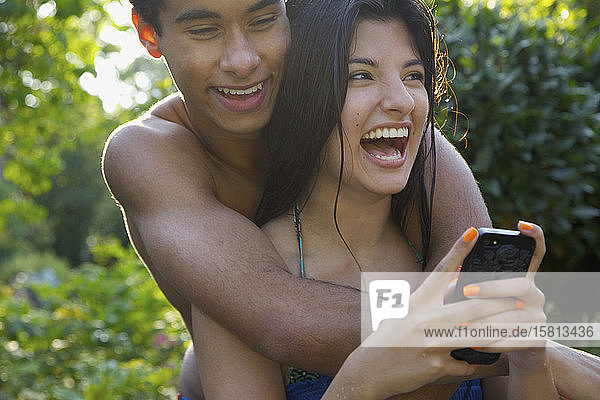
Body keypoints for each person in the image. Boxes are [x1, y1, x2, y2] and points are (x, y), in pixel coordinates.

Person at [101, 0, 600, 398]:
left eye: (263, 19)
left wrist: (518, 341)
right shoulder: (153, 152)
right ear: (150, 35)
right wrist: (498, 335)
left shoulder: (387, 120)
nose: (243, 60)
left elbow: (476, 297)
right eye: (204, 30)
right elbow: (281, 318)